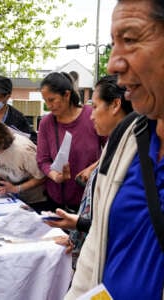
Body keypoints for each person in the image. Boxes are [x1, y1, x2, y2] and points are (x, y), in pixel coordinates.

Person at [66, 1, 164, 298]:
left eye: (130, 39)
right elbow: (97, 244)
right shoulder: (128, 137)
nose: (112, 64)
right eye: (113, 44)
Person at [44, 75, 134, 268]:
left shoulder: (134, 157)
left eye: (95, 107)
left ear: (116, 105)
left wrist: (80, 225)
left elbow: (122, 225)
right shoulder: (115, 145)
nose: (91, 115)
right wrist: (78, 228)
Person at [36, 72, 105, 212]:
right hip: (55, 201)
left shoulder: (91, 115)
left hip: (88, 201)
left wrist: (93, 168)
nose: (48, 106)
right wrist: (54, 175)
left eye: (52, 100)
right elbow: (42, 160)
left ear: (67, 95)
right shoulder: (46, 123)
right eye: (46, 101)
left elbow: (113, 149)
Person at [0, 119, 46, 209]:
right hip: (9, 198)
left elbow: (42, 177)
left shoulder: (23, 151)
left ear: (0, 143)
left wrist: (16, 189)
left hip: (33, 200)